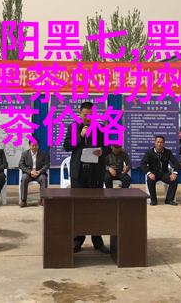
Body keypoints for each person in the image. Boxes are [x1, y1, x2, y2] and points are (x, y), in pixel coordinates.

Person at [63, 101, 111, 254]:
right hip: (79, 173)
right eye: (85, 115)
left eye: (91, 115)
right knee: (79, 207)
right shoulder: (73, 128)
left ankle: (98, 241)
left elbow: (108, 148)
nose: (88, 118)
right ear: (80, 114)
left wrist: (101, 151)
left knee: (96, 207)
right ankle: (77, 241)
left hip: (95, 173)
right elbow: (67, 146)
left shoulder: (101, 128)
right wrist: (80, 136)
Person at [141, 135, 180, 206]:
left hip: (164, 173)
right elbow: (142, 164)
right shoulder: (149, 152)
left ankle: (169, 199)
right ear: (155, 143)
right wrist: (149, 173)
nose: (159, 144)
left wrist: (174, 173)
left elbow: (176, 163)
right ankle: (153, 200)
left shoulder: (168, 152)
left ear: (163, 143)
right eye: (158, 142)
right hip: (154, 173)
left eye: (161, 142)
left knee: (174, 179)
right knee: (150, 180)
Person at [18, 139, 49, 207]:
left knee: (44, 178)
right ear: (29, 146)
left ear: (38, 146)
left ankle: (42, 200)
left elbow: (47, 165)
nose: (34, 147)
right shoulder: (25, 154)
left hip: (39, 174)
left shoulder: (43, 153)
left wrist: (39, 171)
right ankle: (23, 200)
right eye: (32, 145)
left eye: (36, 145)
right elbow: (21, 165)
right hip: (29, 174)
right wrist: (30, 172)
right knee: (24, 178)